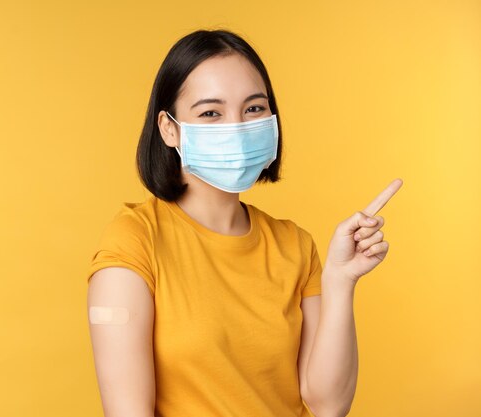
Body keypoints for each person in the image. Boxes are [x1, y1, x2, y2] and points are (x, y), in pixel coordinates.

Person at [86, 29, 402, 417]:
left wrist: (340, 279)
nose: (236, 126)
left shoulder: (294, 244)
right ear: (169, 129)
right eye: (210, 113)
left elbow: (329, 405)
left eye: (253, 108)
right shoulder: (135, 240)